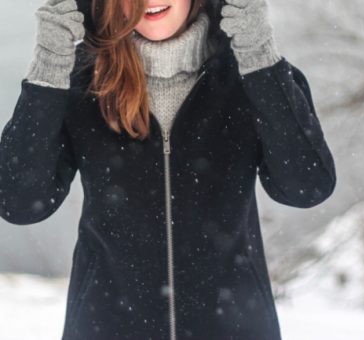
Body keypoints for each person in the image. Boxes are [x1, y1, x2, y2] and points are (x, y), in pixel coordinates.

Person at [0, 0, 337, 338]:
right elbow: (19, 203)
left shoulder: (251, 75)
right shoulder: (81, 83)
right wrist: (49, 63)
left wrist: (258, 52)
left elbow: (307, 187)